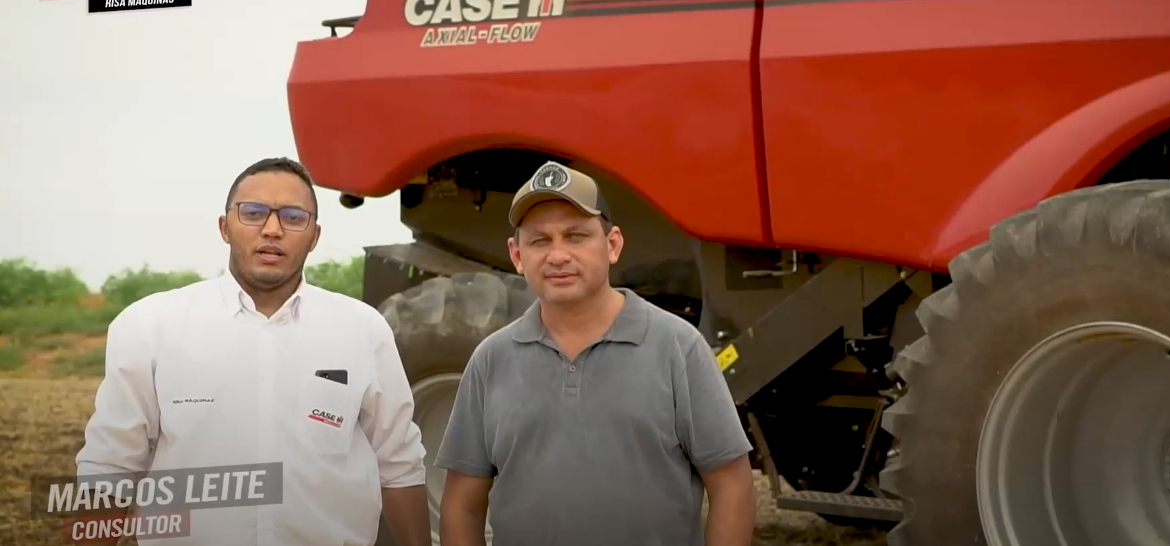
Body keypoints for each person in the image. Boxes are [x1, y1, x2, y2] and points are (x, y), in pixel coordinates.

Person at [75, 157, 432, 546]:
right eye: (254, 213)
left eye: (293, 217)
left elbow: (399, 466)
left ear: (314, 235)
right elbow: (110, 467)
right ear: (224, 227)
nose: (273, 229)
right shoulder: (151, 325)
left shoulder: (362, 330)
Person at [435, 161, 757, 546]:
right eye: (540, 240)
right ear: (517, 255)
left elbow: (732, 486)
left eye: (575, 236)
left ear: (613, 244)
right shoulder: (491, 360)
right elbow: (462, 505)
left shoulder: (677, 347)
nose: (557, 255)